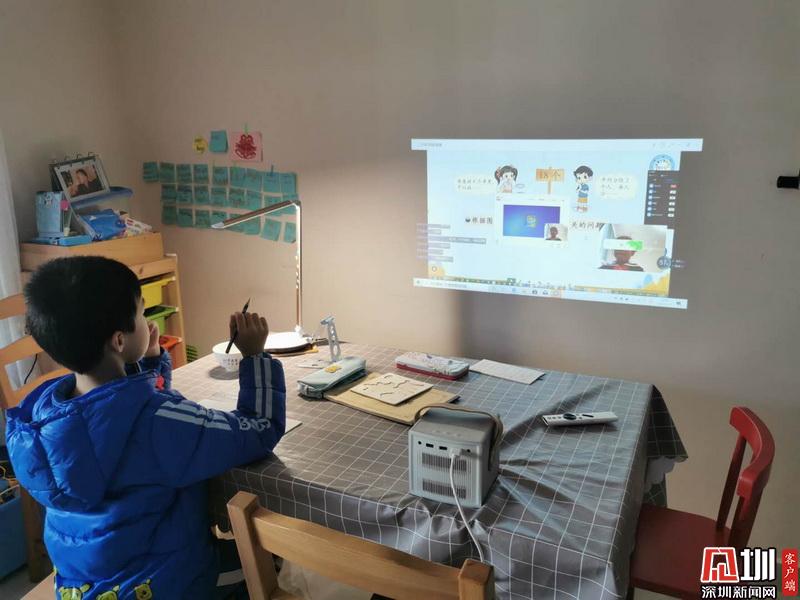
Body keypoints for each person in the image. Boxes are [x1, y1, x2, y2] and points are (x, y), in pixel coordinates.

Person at [6, 256, 286, 599]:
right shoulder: (160, 423)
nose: (147, 320)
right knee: (268, 558)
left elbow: (119, 416)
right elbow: (258, 429)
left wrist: (150, 363)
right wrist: (255, 357)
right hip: (167, 585)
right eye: (141, 313)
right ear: (119, 341)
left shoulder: (42, 418)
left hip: (86, 588)